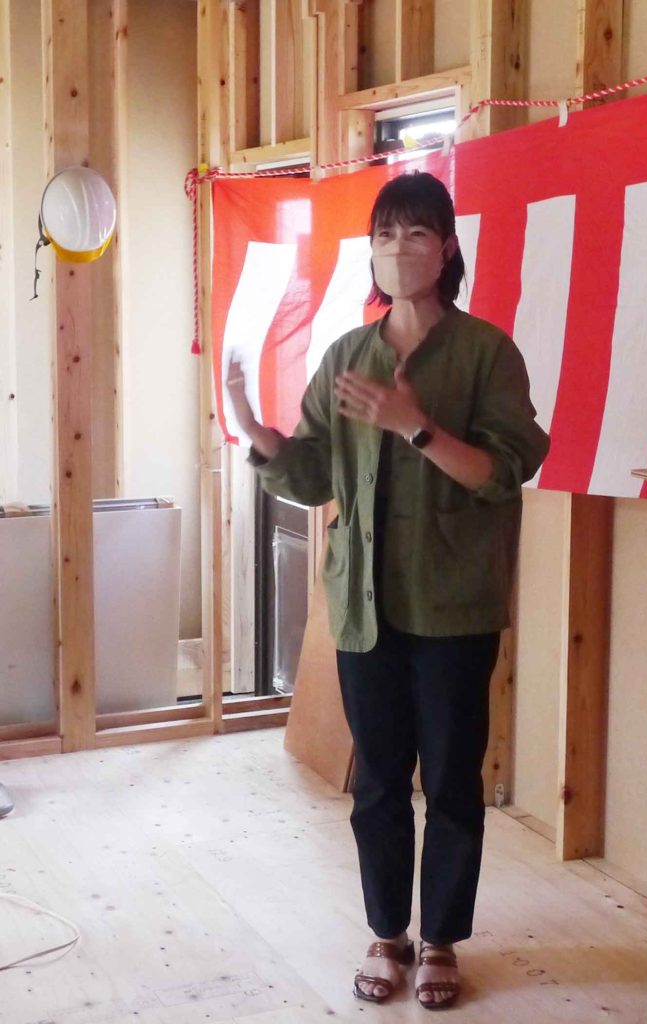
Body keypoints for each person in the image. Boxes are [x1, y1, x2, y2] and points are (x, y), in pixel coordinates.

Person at [227, 171, 550, 1010]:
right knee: (376, 781)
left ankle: (440, 939)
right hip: (362, 604)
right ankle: (386, 933)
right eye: (383, 236)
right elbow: (310, 475)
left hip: (454, 602)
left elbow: (504, 472)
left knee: (450, 780)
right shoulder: (346, 355)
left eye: (415, 234)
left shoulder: (485, 354)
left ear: (447, 250)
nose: (397, 250)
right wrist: (258, 432)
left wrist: (415, 424)